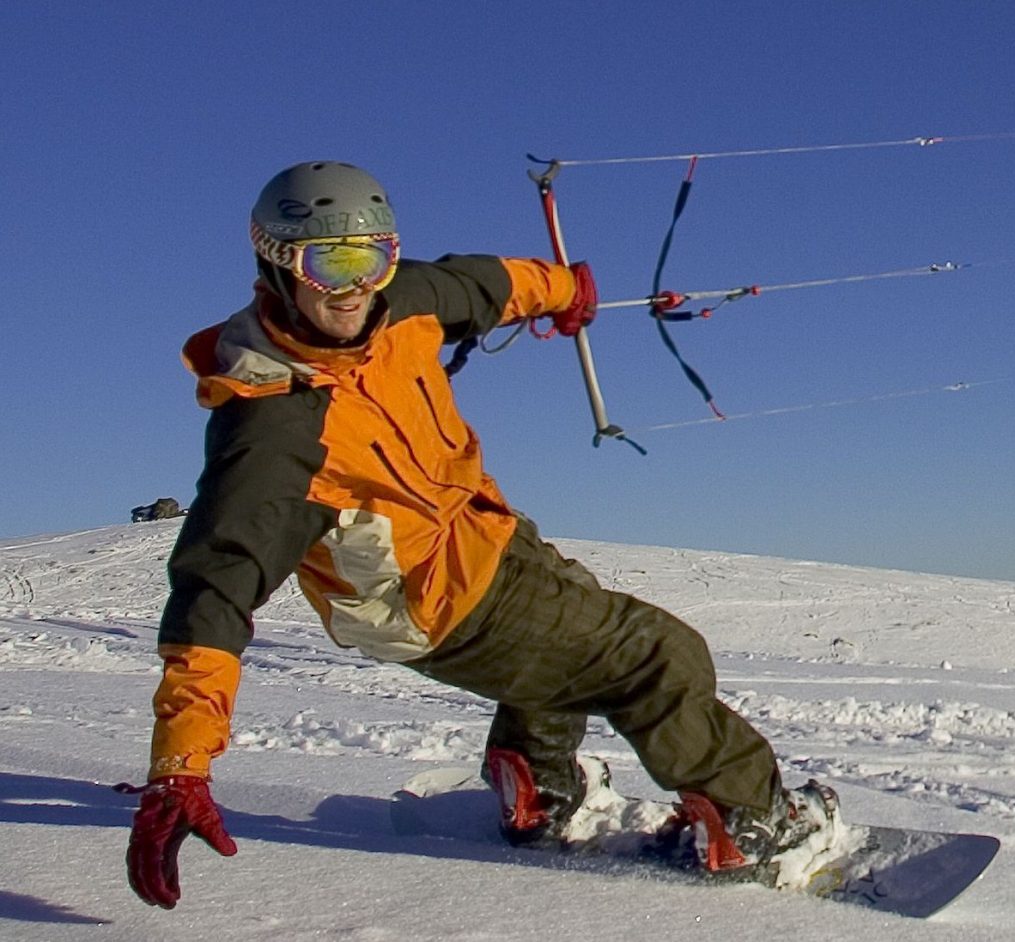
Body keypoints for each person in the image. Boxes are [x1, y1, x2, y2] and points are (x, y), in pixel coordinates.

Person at [126, 161, 840, 910]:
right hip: (422, 598)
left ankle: (537, 791)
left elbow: (484, 284)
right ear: (275, 261)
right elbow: (215, 589)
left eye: (370, 257)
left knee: (575, 628)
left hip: (480, 538)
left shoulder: (398, 305)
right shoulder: (276, 425)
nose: (352, 286)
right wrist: (181, 765)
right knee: (659, 657)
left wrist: (568, 292)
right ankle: (753, 824)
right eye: (325, 261)